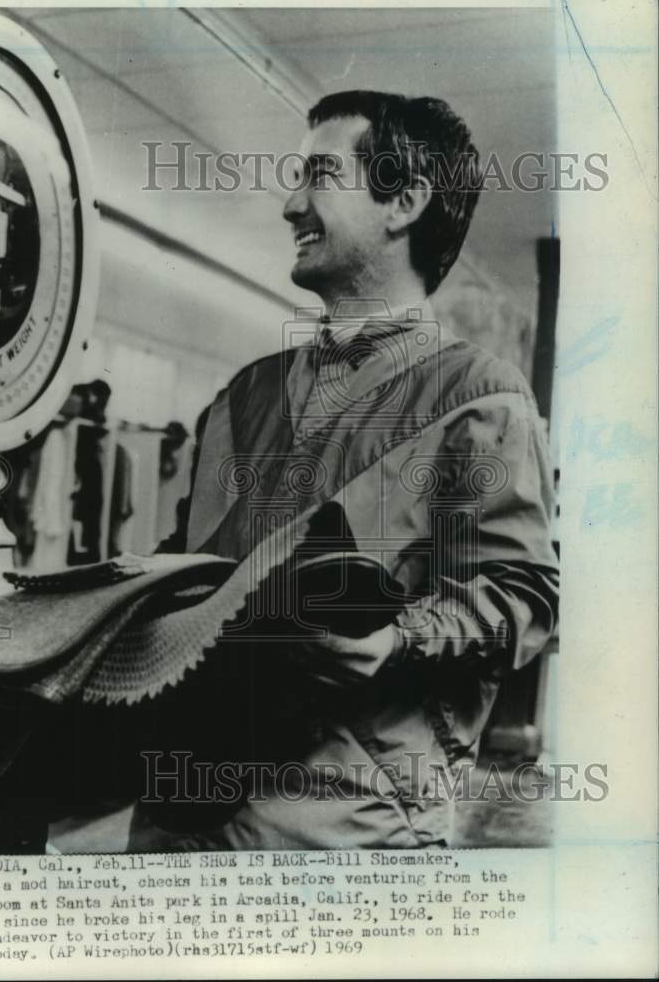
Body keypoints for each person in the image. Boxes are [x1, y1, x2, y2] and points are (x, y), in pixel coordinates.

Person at [129, 90, 559, 851]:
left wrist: (396, 638)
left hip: (343, 827)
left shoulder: (478, 399)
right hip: (178, 811)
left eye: (320, 175)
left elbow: (524, 595)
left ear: (404, 202)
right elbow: (183, 575)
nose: (291, 204)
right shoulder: (244, 395)